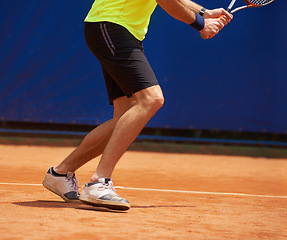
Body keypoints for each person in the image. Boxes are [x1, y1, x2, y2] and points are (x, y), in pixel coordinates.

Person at [42, 0, 232, 211]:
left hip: (115, 28)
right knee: (152, 98)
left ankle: (60, 173)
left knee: (124, 117)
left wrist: (204, 12)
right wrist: (200, 24)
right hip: (113, 26)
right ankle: (99, 181)